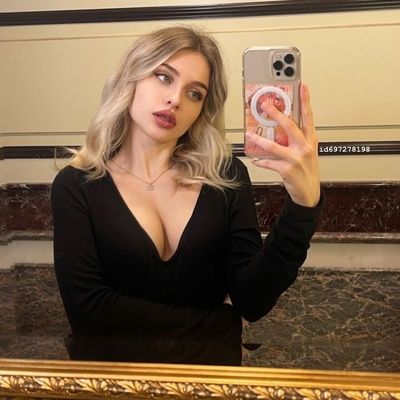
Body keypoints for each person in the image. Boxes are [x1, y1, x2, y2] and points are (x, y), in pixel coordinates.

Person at [51, 25, 322, 366]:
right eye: (164, 77)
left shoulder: (225, 176)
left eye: (195, 93)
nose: (176, 99)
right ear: (130, 78)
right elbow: (90, 314)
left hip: (210, 383)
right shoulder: (76, 185)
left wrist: (302, 206)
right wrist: (223, 327)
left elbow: (251, 300)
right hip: (114, 383)